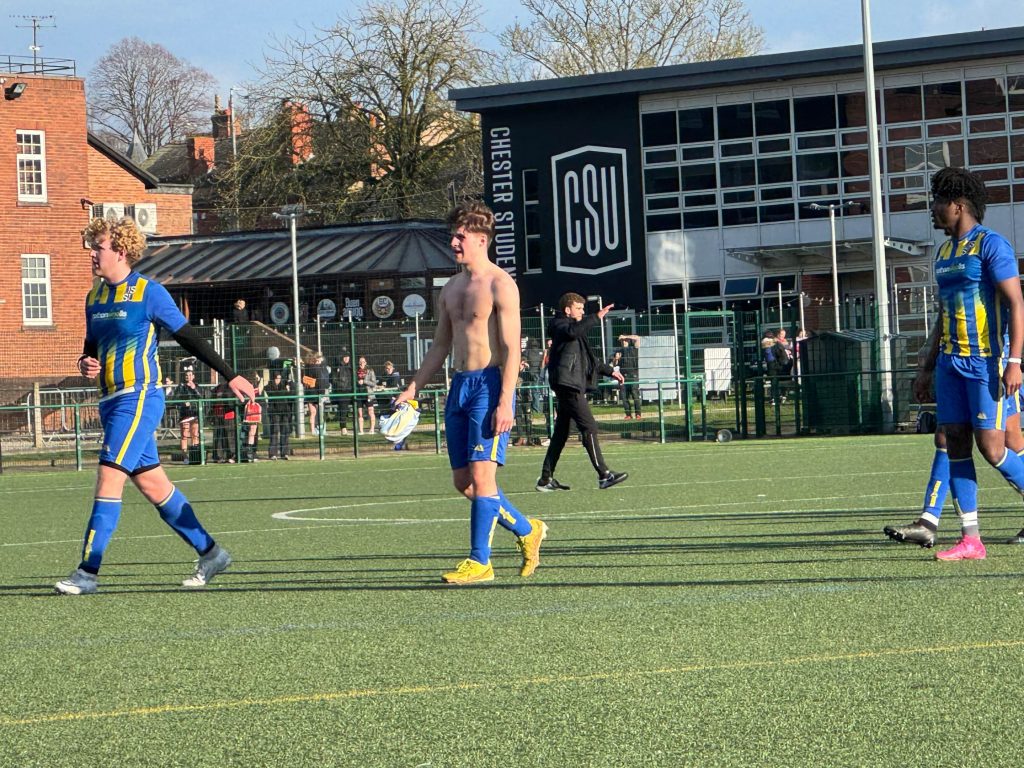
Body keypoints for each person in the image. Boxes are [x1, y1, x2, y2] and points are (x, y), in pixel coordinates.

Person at [55, 216, 256, 595]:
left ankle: (87, 573)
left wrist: (230, 375)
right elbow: (92, 345)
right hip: (110, 401)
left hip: (139, 397)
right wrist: (85, 362)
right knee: (152, 484)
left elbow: (190, 338)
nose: (92, 254)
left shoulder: (149, 292)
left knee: (108, 477)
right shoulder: (94, 296)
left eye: (97, 247)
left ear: (121, 250)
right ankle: (212, 553)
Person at [394, 201, 546, 585]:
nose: (454, 241)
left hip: (489, 384)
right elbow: (439, 346)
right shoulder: (451, 288)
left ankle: (480, 561)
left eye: (461, 236)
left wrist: (505, 400)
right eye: (454, 235)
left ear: (482, 240)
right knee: (464, 483)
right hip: (459, 387)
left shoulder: (500, 284)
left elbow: (512, 349)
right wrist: (412, 387)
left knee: (482, 479)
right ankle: (529, 530)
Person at [891, 167, 1024, 561]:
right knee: (955, 444)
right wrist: (927, 365)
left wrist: (1014, 361)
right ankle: (971, 539)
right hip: (950, 364)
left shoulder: (991, 245)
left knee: (993, 447)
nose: (932, 211)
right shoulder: (945, 252)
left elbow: (1017, 303)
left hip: (986, 362)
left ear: (957, 205)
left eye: (936, 203)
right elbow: (942, 313)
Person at [536, 293, 628, 492]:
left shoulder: (575, 331)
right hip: (568, 385)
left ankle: (545, 479)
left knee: (561, 433)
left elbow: (590, 361)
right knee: (589, 427)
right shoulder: (559, 325)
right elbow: (572, 331)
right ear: (567, 310)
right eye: (579, 308)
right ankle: (604, 475)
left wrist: (611, 371)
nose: (583, 312)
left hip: (571, 383)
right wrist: (596, 317)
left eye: (583, 309)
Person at [175, 364, 202, 464]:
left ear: (193, 376)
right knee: (184, 436)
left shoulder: (197, 387)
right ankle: (185, 457)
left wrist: (194, 388)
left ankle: (195, 455)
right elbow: (175, 399)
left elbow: (200, 398)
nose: (188, 377)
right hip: (185, 415)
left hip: (194, 414)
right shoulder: (180, 387)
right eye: (186, 375)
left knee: (195, 435)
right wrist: (184, 403)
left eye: (190, 375)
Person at [209, 378, 238, 463]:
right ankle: (218, 456)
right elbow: (212, 401)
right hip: (218, 415)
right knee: (218, 436)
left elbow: (231, 401)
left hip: (228, 415)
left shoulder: (230, 387)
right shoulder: (217, 388)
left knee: (229, 437)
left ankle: (232, 456)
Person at [266, 370, 292, 460]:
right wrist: (285, 391)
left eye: (280, 378)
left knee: (285, 432)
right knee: (274, 431)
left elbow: (290, 395)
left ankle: (284, 453)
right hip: (274, 411)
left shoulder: (284, 385)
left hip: (284, 411)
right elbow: (273, 394)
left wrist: (287, 390)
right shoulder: (269, 386)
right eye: (277, 378)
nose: (279, 380)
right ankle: (273, 453)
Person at [304, 352, 330, 436]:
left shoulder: (306, 368)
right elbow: (321, 382)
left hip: (310, 392)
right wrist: (321, 392)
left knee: (313, 412)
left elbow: (304, 380)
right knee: (318, 412)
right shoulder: (317, 368)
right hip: (317, 393)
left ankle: (313, 430)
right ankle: (319, 429)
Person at [618, 333, 642, 420]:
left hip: (633, 374)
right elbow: (614, 365)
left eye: (625, 340)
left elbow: (637, 338)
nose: (623, 342)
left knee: (635, 394)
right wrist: (616, 359)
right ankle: (628, 414)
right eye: (622, 341)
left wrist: (625, 336)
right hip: (623, 375)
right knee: (624, 396)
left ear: (628, 341)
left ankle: (638, 414)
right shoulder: (619, 351)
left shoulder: (634, 349)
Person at [331, 349, 353, 435]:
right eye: (345, 357)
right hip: (342, 392)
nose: (347, 358)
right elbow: (333, 380)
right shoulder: (337, 367)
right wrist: (341, 386)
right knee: (343, 410)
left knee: (352, 409)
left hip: (350, 391)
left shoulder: (350, 367)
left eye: (348, 357)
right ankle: (343, 428)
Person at [355, 356, 377, 435]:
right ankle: (361, 430)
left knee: (371, 412)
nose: (361, 363)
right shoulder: (355, 371)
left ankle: (372, 429)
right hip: (359, 394)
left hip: (368, 394)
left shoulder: (370, 371)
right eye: (360, 362)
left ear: (366, 362)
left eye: (363, 362)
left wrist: (364, 381)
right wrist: (357, 382)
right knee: (360, 413)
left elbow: (374, 383)